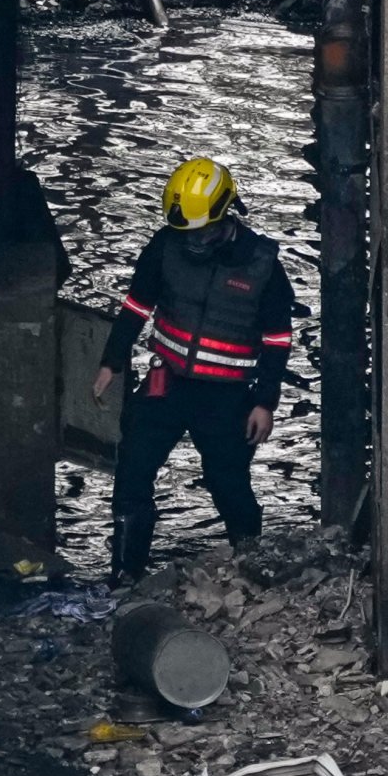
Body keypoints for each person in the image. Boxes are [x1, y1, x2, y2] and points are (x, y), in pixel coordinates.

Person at [93, 156, 298, 577]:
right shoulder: (165, 247)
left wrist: (265, 403)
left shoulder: (263, 267)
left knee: (229, 484)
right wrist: (112, 361)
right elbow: (136, 305)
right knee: (132, 471)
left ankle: (250, 563)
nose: (193, 241)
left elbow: (277, 340)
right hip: (167, 385)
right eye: (185, 232)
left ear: (225, 218)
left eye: (202, 232)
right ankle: (125, 574)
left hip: (226, 398)